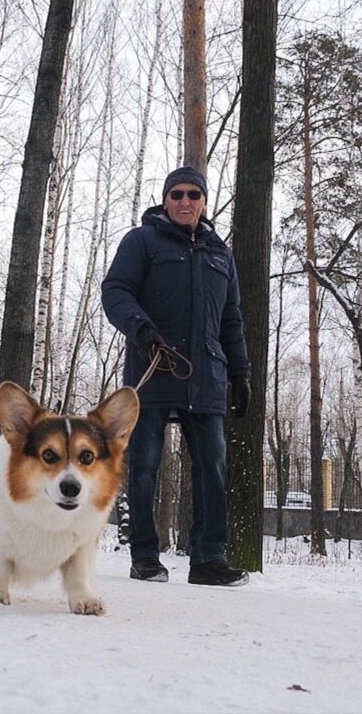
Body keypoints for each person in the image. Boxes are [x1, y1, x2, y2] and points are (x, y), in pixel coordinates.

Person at [101, 165, 252, 587]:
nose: (185, 201)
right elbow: (115, 290)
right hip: (154, 368)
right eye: (177, 194)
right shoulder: (141, 241)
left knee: (213, 464)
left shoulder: (220, 253)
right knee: (145, 463)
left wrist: (241, 372)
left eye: (193, 195)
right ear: (165, 200)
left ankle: (208, 560)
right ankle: (145, 556)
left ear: (204, 202)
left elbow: (231, 319)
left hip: (206, 375)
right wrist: (140, 327)